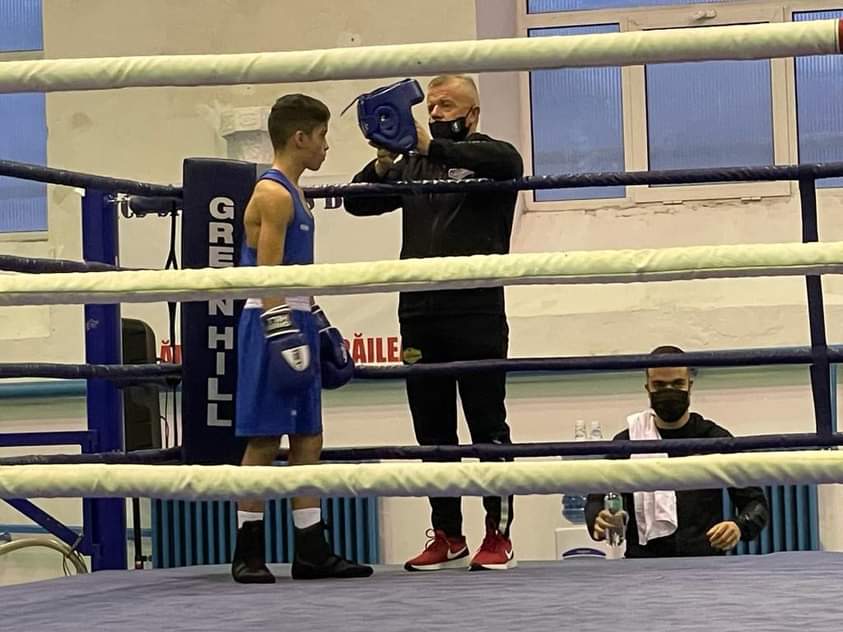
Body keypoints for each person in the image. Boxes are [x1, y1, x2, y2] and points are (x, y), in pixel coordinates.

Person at [344, 75, 523, 571]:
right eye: (432, 106)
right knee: (432, 431)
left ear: (473, 114)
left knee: (487, 426)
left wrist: (428, 144)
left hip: (476, 310)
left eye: (447, 105)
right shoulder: (413, 164)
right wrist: (383, 163)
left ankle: (498, 534)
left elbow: (508, 163)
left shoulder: (491, 156)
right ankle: (448, 533)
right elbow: (357, 202)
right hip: (419, 313)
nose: (437, 112)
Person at [230, 94, 373, 583]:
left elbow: (296, 276)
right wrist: (281, 330)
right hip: (270, 321)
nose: (326, 146)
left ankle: (311, 550)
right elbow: (267, 275)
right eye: (322, 136)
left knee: (309, 437)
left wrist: (318, 321)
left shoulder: (296, 193)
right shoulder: (272, 194)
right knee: (265, 440)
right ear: (299, 138)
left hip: (298, 318)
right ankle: (248, 553)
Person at [585, 345, 770, 557]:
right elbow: (596, 496)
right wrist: (599, 518)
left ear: (689, 386)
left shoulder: (714, 439)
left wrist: (739, 526)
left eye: (677, 384)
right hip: (643, 562)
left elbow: (755, 502)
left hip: (704, 561)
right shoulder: (628, 442)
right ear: (648, 389)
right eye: (659, 385)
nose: (669, 391)